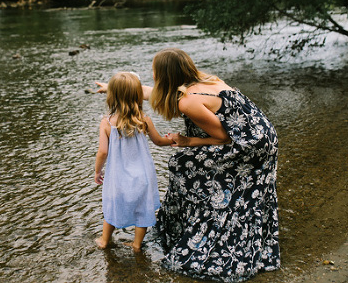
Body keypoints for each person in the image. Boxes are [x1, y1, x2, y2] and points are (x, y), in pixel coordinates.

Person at [97, 48, 279, 281]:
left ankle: (206, 228)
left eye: (154, 71)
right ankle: (203, 220)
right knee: (207, 173)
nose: (152, 76)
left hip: (250, 145)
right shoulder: (202, 80)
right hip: (263, 132)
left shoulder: (187, 102)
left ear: (165, 75)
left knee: (184, 166)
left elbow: (223, 138)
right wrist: (111, 88)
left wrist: (186, 141)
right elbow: (150, 93)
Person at [94, 72, 174, 252]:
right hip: (143, 175)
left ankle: (105, 240)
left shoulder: (106, 123)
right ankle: (137, 245)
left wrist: (97, 171)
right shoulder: (143, 120)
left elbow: (102, 152)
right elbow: (159, 141)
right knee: (142, 209)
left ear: (112, 96)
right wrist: (174, 140)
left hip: (118, 177)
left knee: (113, 205)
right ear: (138, 95)